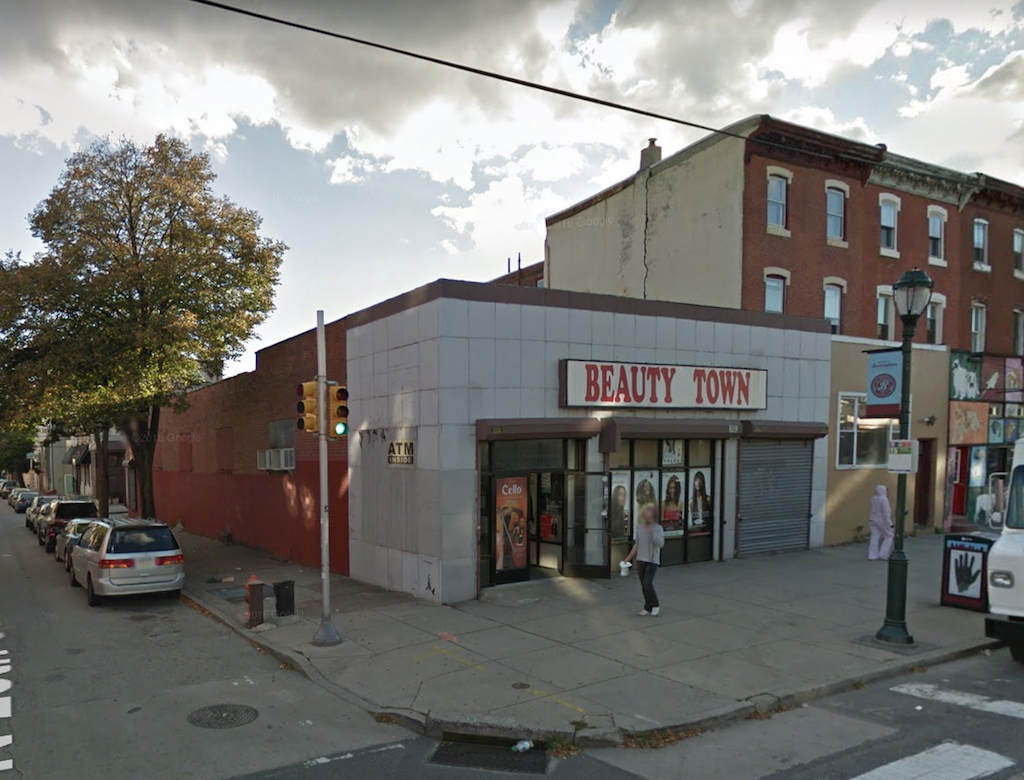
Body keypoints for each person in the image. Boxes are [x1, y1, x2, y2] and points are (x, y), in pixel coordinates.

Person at [622, 503, 665, 616]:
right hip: (641, 560)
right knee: (644, 586)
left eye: (649, 514)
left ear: (653, 516)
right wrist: (627, 559)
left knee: (647, 584)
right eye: (646, 514)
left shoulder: (658, 528)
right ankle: (647, 607)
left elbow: (660, 544)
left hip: (652, 561)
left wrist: (652, 533)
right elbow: (637, 545)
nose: (647, 517)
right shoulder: (639, 528)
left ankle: (655, 604)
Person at [868, 485, 893, 561]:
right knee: (889, 536)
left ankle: (872, 555)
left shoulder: (873, 498)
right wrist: (890, 523)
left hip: (872, 519)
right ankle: (883, 554)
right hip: (882, 520)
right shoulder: (884, 500)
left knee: (874, 537)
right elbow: (886, 513)